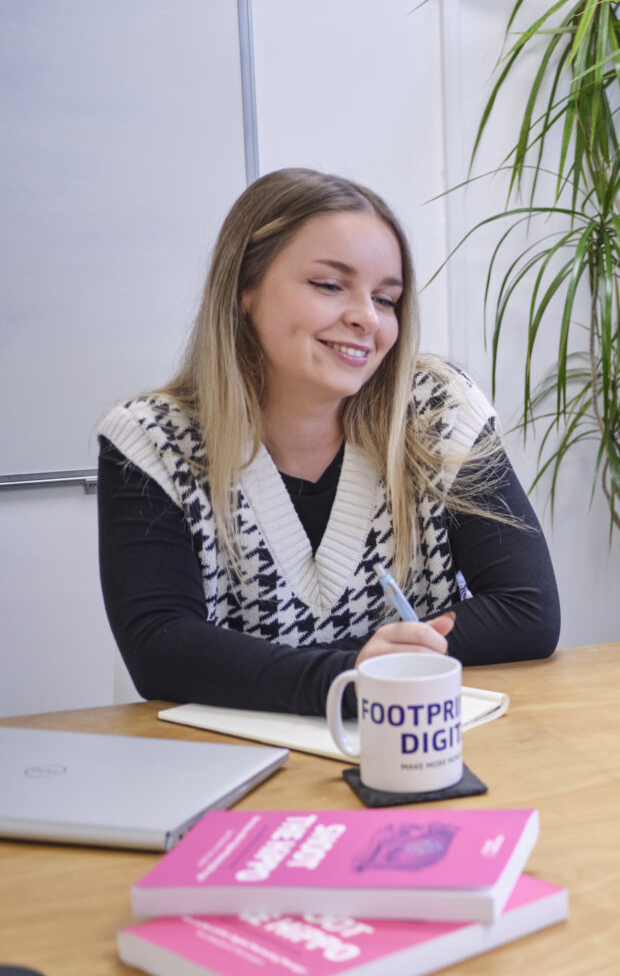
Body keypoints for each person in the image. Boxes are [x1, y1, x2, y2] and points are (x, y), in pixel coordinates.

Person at [95, 168, 560, 714]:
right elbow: (162, 651)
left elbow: (528, 612)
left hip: (419, 746)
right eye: (329, 285)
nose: (367, 318)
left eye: (387, 299)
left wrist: (313, 672)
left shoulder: (436, 406)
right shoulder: (153, 440)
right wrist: (356, 674)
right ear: (245, 289)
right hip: (239, 770)